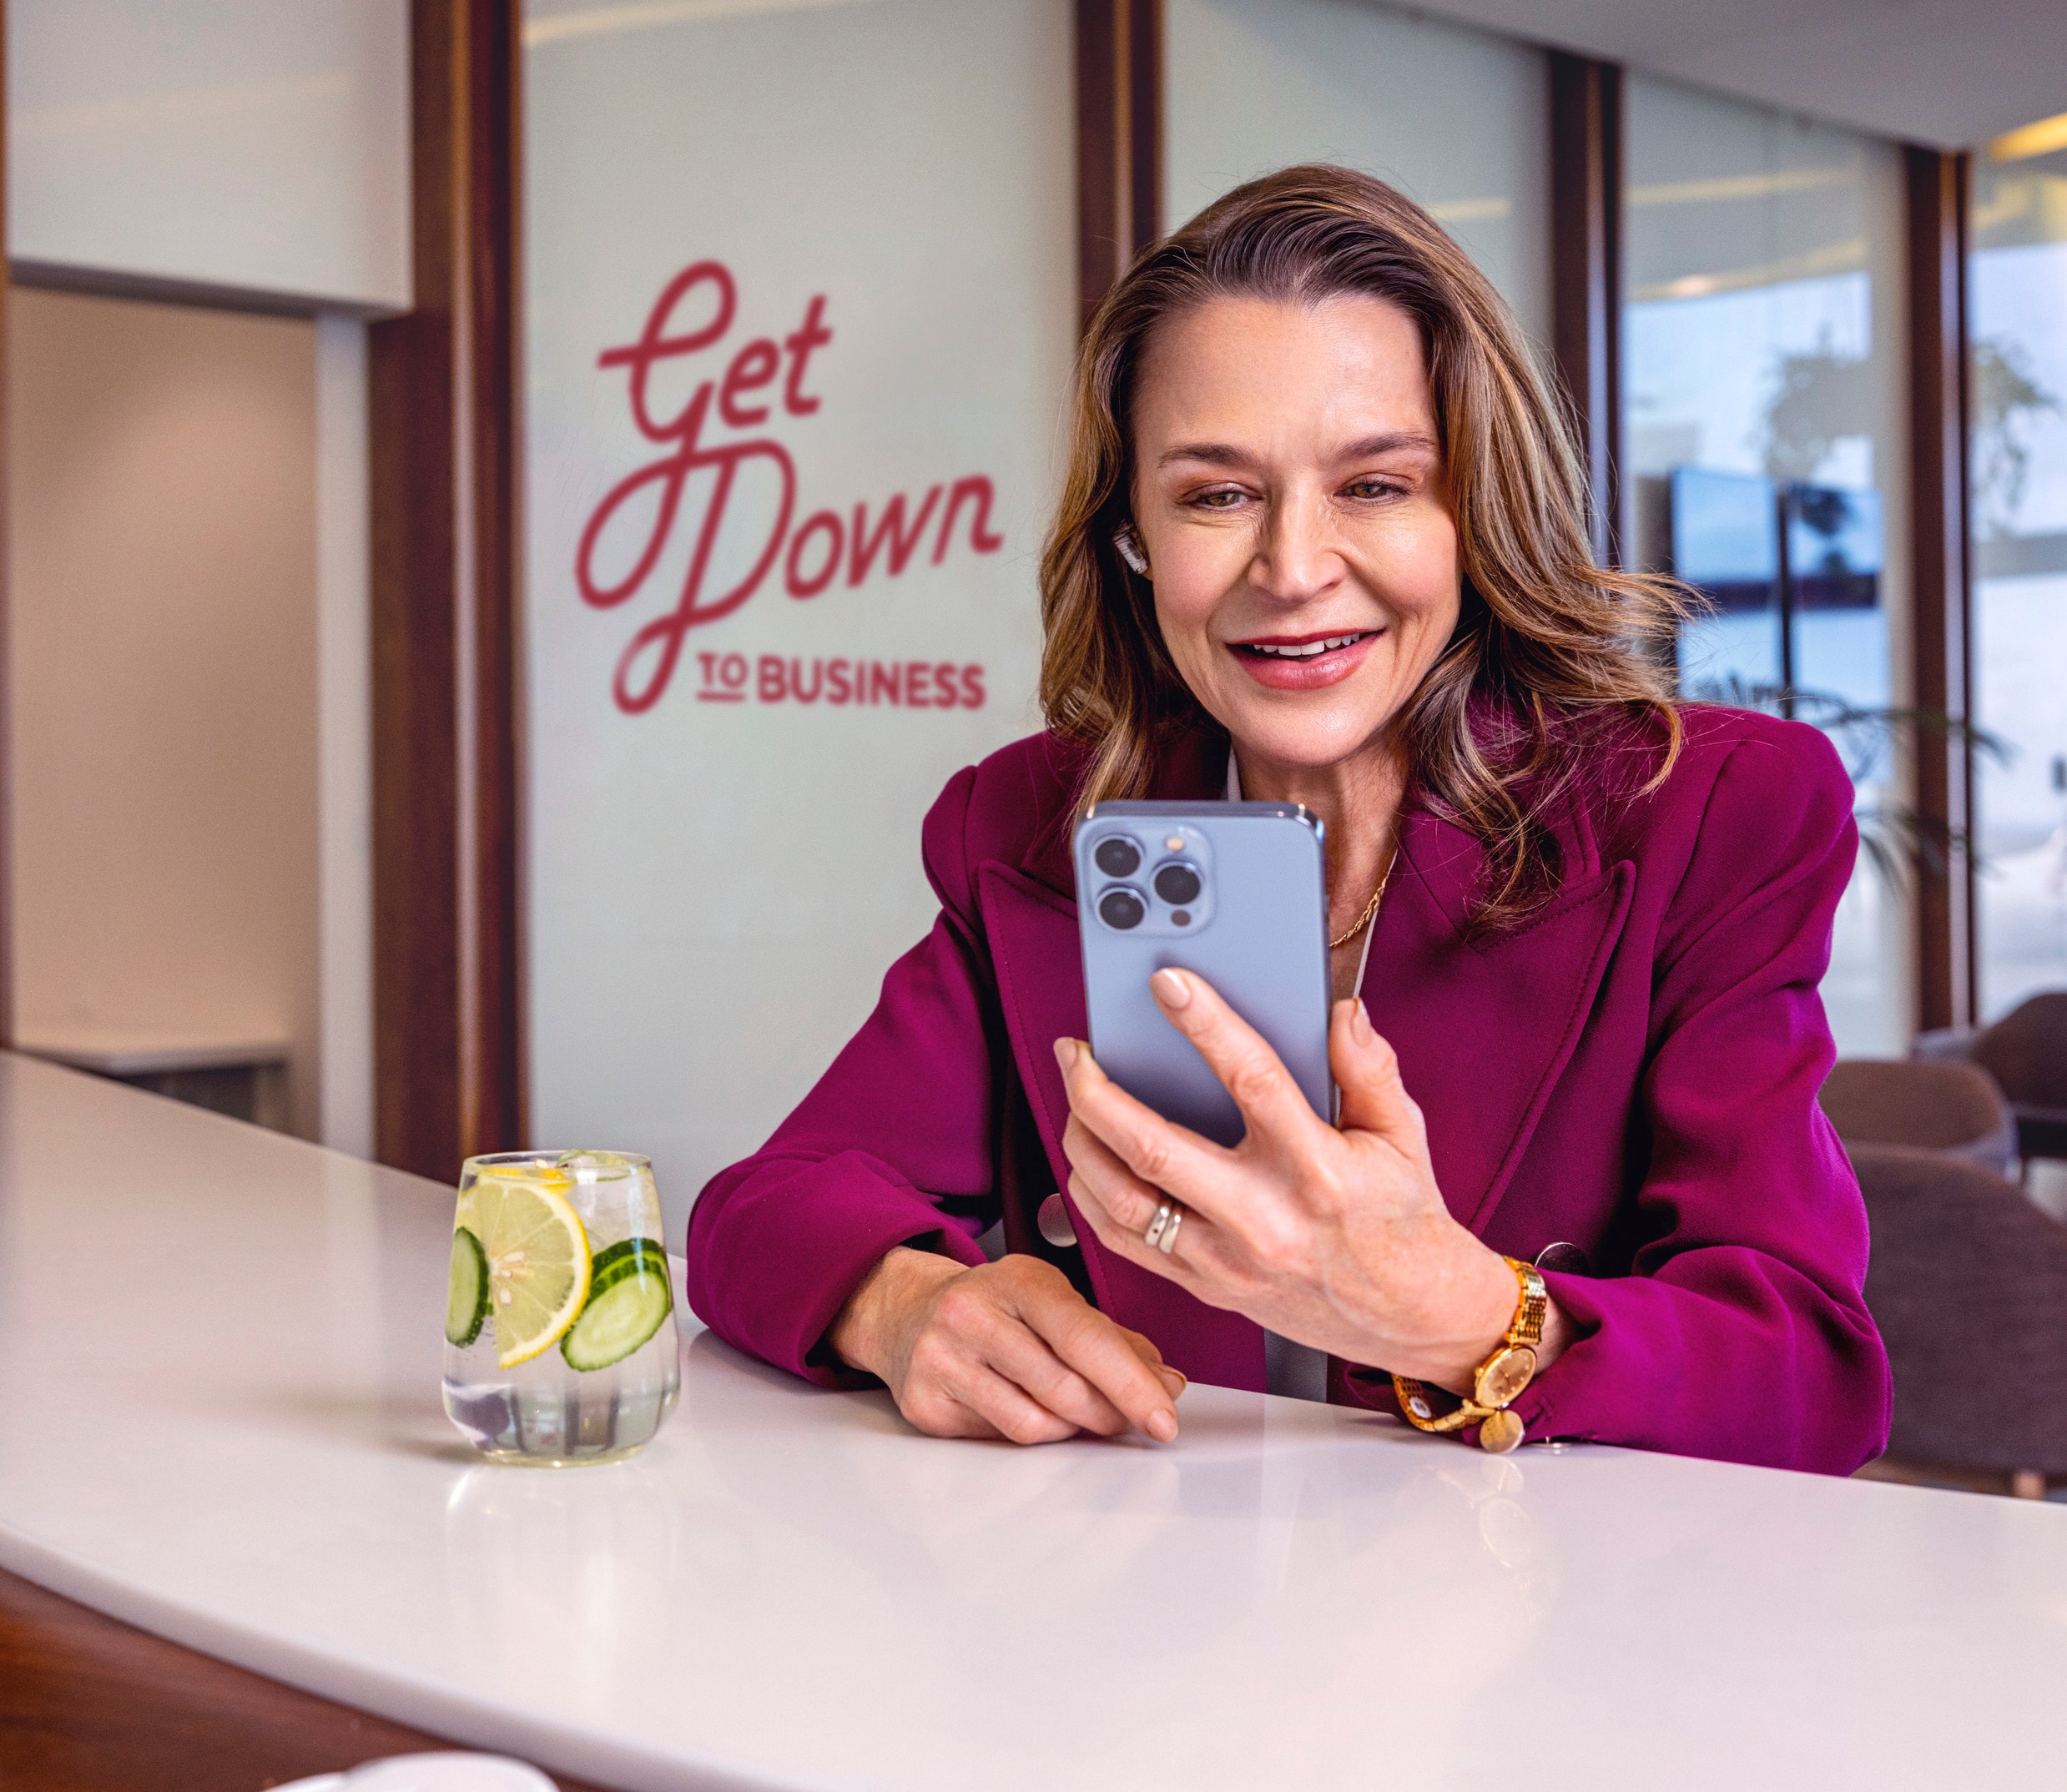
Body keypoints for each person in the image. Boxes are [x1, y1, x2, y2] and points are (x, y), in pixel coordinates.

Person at [686, 164, 1889, 1470]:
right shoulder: (1037, 822)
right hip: (1149, 1612)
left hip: (1549, 1630)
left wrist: (1463, 1315)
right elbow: (760, 1210)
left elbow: (1810, 1381)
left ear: (1474, 511)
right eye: (1217, 493)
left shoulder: (1705, 813)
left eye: (1376, 485)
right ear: (1133, 533)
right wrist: (906, 1301)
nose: (1294, 568)